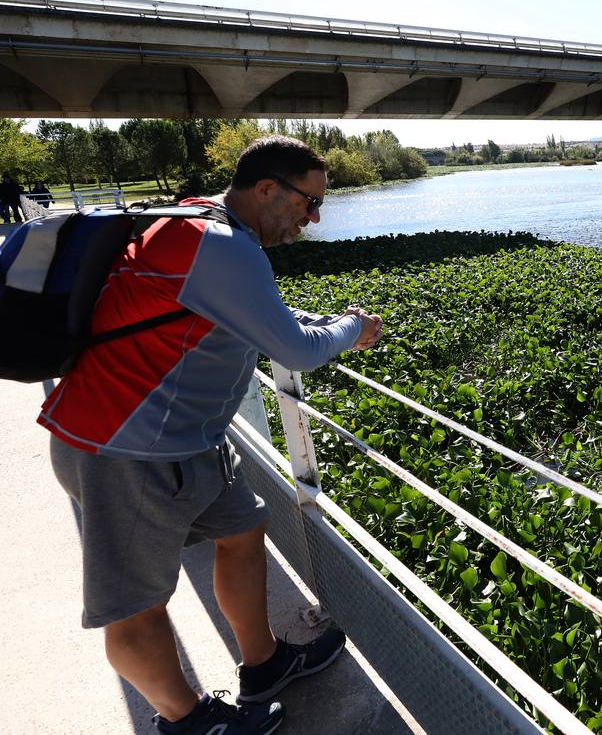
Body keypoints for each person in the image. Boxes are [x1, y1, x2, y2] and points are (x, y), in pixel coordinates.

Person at [38, 136, 384, 734]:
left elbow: (257, 314)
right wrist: (351, 330)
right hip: (121, 447)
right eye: (309, 203)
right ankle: (187, 720)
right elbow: (293, 349)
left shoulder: (199, 219)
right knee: (137, 608)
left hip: (187, 438)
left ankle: (265, 665)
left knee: (244, 532)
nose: (314, 219)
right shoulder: (222, 246)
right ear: (267, 189)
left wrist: (329, 320)